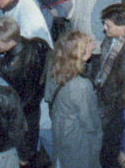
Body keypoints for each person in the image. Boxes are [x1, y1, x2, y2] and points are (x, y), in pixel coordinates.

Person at [0, 15, 50, 164]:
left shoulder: (5, 69)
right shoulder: (38, 44)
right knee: (32, 142)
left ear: (9, 41)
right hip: (35, 104)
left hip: (20, 111)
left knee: (22, 149)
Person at [44, 30, 102, 168]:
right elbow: (90, 123)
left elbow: (48, 96)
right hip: (76, 139)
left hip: (60, 129)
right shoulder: (81, 85)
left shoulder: (54, 65)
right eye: (88, 43)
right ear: (78, 52)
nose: (93, 46)